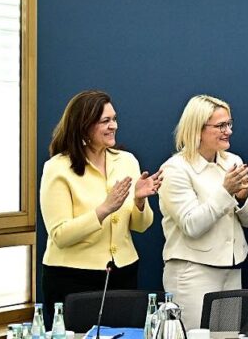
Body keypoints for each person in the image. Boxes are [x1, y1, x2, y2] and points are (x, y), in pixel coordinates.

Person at [40, 90, 160, 315]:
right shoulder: (57, 168)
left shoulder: (127, 161)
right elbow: (60, 235)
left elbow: (141, 226)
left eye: (114, 119)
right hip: (72, 277)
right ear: (84, 125)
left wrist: (139, 201)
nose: (114, 126)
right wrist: (104, 209)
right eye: (105, 121)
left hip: (123, 272)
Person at [158, 94, 248, 330]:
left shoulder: (232, 161)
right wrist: (226, 191)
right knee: (196, 335)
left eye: (229, 124)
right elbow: (191, 225)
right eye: (220, 126)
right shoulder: (175, 169)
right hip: (193, 273)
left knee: (228, 336)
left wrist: (243, 197)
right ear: (197, 129)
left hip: (231, 270)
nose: (228, 131)